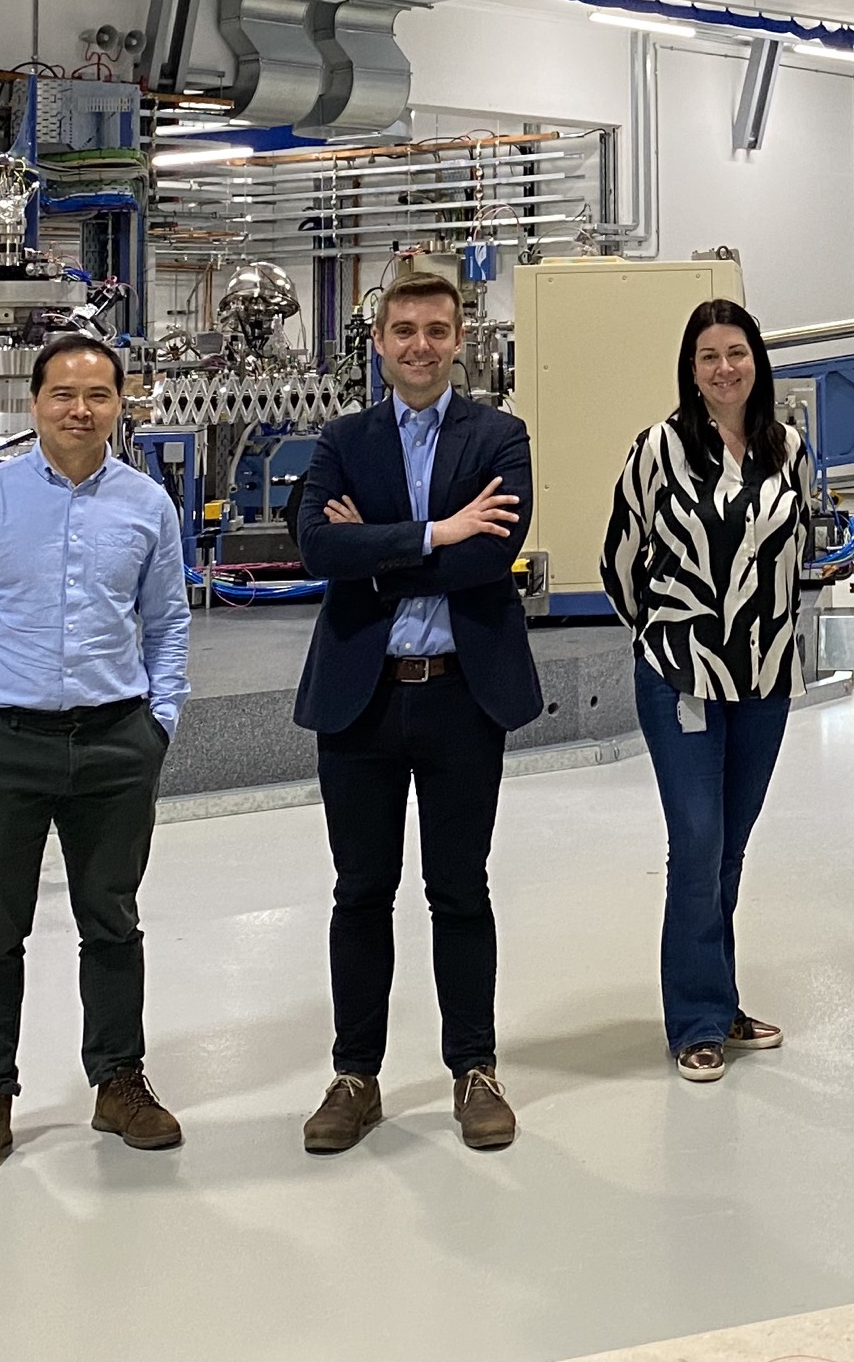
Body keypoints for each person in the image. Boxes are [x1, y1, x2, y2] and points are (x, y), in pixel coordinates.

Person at [0, 336, 191, 1183]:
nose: (81, 409)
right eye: (64, 394)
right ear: (34, 402)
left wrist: (161, 722)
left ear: (121, 403)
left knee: (112, 920)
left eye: (99, 395)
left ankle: (119, 1082)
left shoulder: (148, 505)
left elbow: (169, 622)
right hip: (3, 743)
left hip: (117, 742)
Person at [291, 264, 541, 1154]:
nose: (421, 347)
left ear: (459, 340)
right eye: (405, 332)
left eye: (437, 331)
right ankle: (355, 1076)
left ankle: (474, 1069)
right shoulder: (343, 438)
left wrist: (378, 548)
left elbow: (493, 555)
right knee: (360, 892)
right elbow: (317, 544)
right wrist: (438, 532)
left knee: (459, 889)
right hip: (361, 701)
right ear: (380, 344)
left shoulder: (499, 435)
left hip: (461, 696)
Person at [600, 299, 814, 1083]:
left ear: (756, 359)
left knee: (730, 846)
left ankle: (719, 1001)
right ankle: (693, 1018)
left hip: (764, 678)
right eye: (707, 356)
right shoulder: (658, 448)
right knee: (696, 842)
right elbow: (620, 561)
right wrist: (670, 633)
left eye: (736, 352)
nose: (725, 368)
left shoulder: (788, 448)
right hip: (681, 676)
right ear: (690, 371)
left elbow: (797, 554)